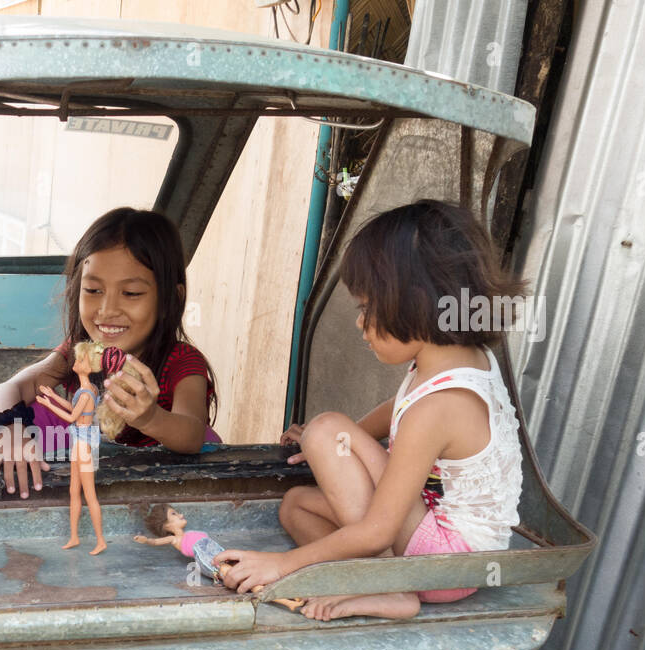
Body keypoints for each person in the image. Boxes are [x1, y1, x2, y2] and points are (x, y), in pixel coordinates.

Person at [217, 199, 525, 621]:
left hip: (444, 564)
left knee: (328, 428)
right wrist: (339, 450)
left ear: (415, 301)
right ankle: (365, 580)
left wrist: (282, 565)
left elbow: (378, 529)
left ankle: (389, 589)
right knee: (296, 506)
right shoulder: (456, 359)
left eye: (366, 307)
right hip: (450, 550)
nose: (360, 323)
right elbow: (396, 407)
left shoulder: (439, 409)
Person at [0, 207, 220, 498]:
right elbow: (9, 389)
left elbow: (193, 434)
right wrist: (10, 429)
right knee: (29, 411)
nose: (107, 311)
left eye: (131, 293)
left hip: (161, 492)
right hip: (87, 479)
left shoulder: (182, 361)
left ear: (171, 298)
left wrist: (150, 419)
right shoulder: (79, 352)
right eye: (93, 290)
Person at [34, 341, 107, 553]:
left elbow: (71, 417)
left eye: (81, 359)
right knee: (74, 491)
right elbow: (74, 408)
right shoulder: (86, 389)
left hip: (83, 446)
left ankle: (100, 540)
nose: (76, 361)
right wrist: (53, 396)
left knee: (89, 494)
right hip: (79, 444)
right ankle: (74, 536)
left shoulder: (86, 392)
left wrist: (48, 405)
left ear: (89, 365)